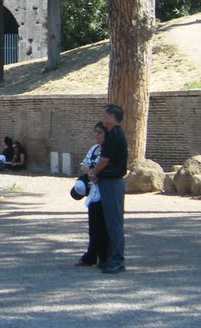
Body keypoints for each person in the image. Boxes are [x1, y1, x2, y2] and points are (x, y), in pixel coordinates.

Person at [88, 104, 127, 275]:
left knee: (114, 223)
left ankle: (117, 260)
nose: (103, 116)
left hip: (112, 182)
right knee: (109, 223)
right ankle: (109, 258)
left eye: (105, 114)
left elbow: (104, 160)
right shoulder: (114, 134)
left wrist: (93, 172)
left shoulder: (114, 135)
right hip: (109, 182)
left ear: (112, 117)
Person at [75, 122, 108, 268]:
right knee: (93, 226)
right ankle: (91, 255)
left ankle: (103, 256)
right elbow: (84, 165)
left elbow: (100, 167)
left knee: (101, 226)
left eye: (99, 132)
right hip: (91, 192)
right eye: (95, 132)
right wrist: (88, 170)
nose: (96, 135)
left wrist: (91, 170)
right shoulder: (94, 149)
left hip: (103, 192)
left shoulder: (107, 151)